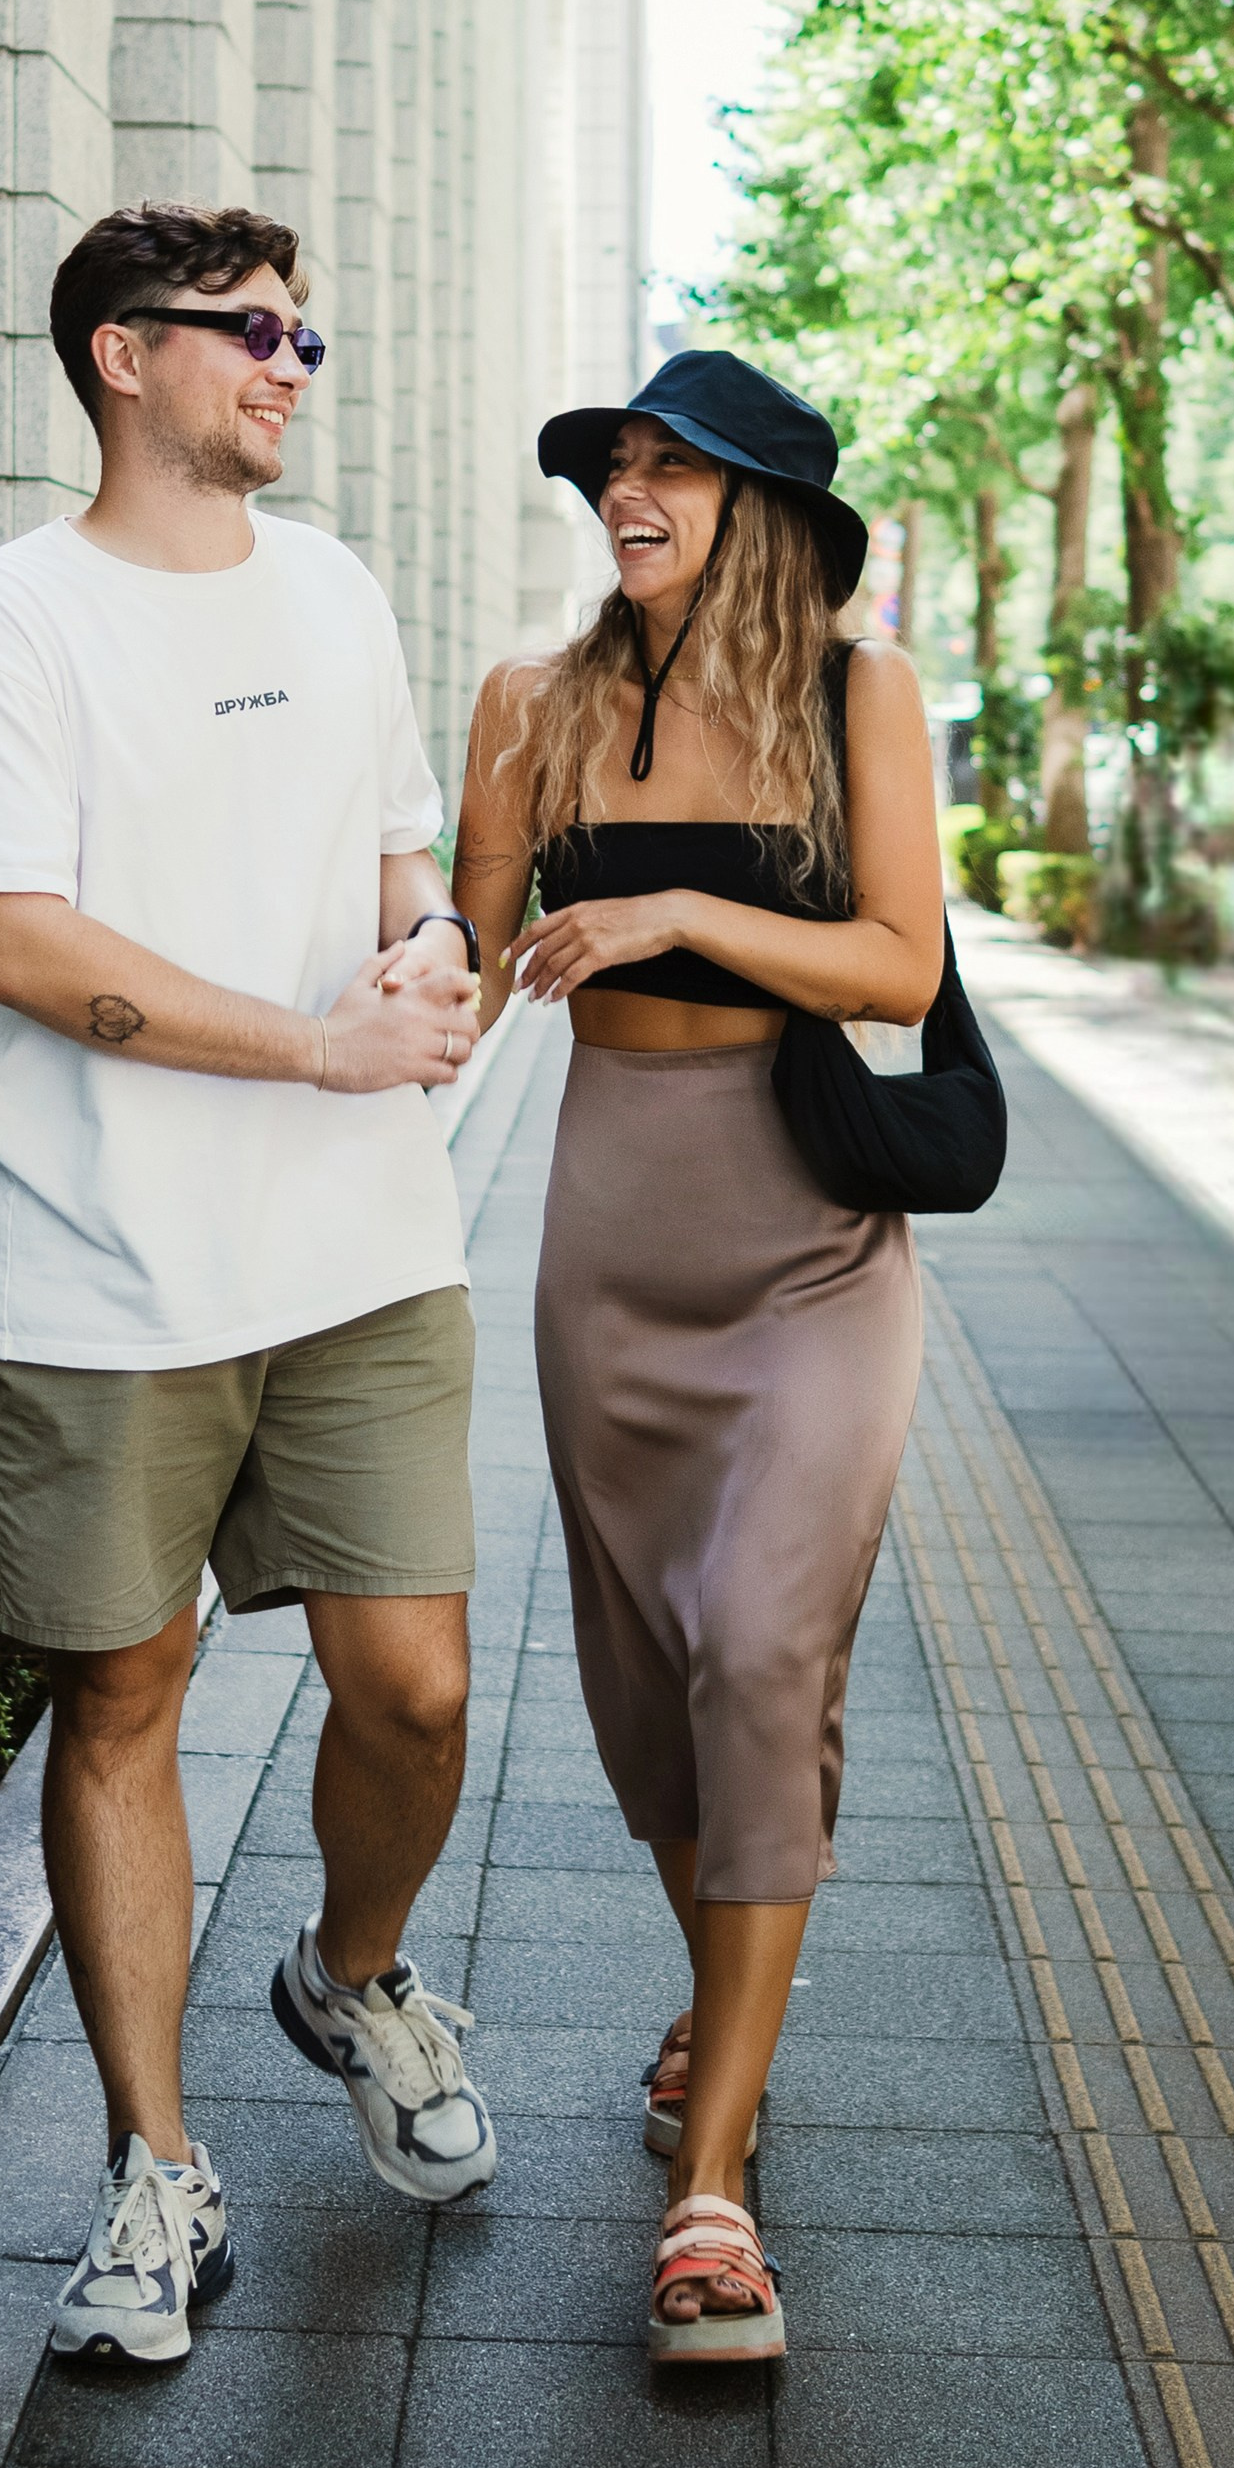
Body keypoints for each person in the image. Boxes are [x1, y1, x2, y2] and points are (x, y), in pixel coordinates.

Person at [0, 201, 500, 2368]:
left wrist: (421, 948)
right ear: (118, 358)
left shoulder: (332, 589)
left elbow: (393, 852)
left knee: (415, 1685)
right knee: (124, 1696)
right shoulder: (14, 614)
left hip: (349, 1242)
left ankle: (351, 1973)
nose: (290, 361)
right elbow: (14, 942)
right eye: (249, 331)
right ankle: (154, 2173)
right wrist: (317, 1041)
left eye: (305, 332)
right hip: (93, 1264)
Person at [453, 350, 942, 2362]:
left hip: (807, 1238)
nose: (625, 491)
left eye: (668, 467)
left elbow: (895, 962)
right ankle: (719, 1991)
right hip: (605, 1243)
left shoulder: (854, 695)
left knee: (760, 1646)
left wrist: (671, 910)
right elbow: (467, 966)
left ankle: (712, 2180)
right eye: (614, 465)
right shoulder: (528, 701)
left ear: (764, 511)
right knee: (653, 1690)